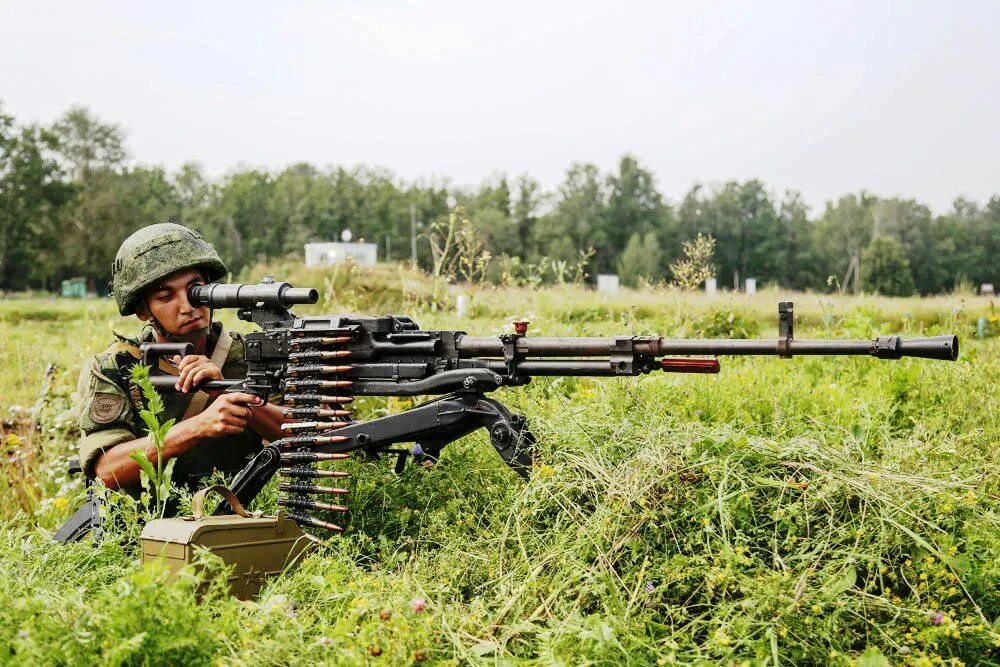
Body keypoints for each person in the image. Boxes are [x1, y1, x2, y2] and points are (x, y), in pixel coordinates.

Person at [75, 222, 286, 500]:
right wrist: (199, 426)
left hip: (243, 523)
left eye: (195, 289)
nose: (188, 307)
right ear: (142, 310)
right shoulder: (115, 367)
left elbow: (304, 439)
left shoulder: (252, 354)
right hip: (148, 534)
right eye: (166, 296)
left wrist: (232, 391)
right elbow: (107, 468)